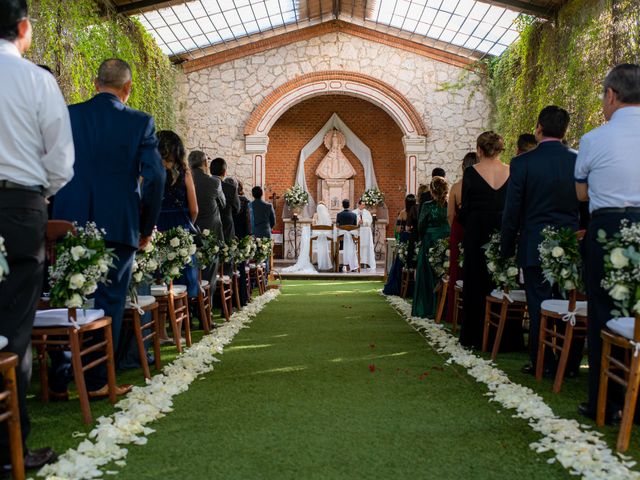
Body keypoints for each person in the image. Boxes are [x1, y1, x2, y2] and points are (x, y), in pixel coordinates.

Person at [52, 59, 165, 398]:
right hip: (118, 224)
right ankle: (99, 380)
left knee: (67, 295)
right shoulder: (140, 121)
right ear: (127, 88)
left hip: (67, 222)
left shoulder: (68, 115)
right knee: (109, 302)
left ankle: (58, 381)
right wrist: (146, 227)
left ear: (94, 82)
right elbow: (156, 176)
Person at [0, 0, 74, 470]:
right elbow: (61, 161)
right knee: (12, 330)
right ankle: (11, 450)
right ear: (23, 28)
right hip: (18, 207)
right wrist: (36, 195)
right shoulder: (36, 80)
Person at [574, 64, 640, 422]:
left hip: (609, 227)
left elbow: (581, 193)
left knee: (605, 312)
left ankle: (608, 402)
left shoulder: (594, 139)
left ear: (611, 95)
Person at [501, 106, 581, 377]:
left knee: (538, 304)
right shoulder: (578, 160)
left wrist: (507, 246)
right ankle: (568, 363)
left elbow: (512, 209)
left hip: (534, 242)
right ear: (565, 130)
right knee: (567, 301)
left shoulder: (522, 163)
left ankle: (542, 362)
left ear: (538, 128)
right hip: (570, 245)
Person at [458, 132, 513, 350]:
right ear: (500, 149)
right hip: (502, 231)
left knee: (476, 283)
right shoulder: (512, 171)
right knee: (502, 280)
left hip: (476, 232)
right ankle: (504, 337)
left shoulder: (471, 173)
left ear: (479, 150)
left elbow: (467, 207)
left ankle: (474, 336)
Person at [155, 131, 198, 340]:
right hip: (181, 227)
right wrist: (186, 226)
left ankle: (161, 332)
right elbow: (195, 209)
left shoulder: (151, 169)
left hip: (158, 226)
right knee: (180, 283)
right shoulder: (185, 172)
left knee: (160, 282)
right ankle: (179, 331)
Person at [445, 152, 477, 324]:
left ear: (463, 166)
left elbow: (450, 215)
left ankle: (454, 313)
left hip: (458, 230)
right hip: (478, 229)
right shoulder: (484, 184)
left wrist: (455, 230)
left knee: (457, 268)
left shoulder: (457, 187)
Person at [411, 177, 450, 318]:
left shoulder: (427, 205)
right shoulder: (449, 205)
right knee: (442, 273)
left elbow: (421, 225)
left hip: (429, 241)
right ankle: (443, 310)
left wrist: (424, 238)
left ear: (432, 191)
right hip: (446, 242)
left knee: (426, 275)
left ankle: (425, 309)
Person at [189, 150, 225, 286]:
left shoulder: (185, 180)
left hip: (190, 231)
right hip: (211, 232)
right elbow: (223, 203)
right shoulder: (214, 182)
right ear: (205, 163)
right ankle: (207, 303)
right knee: (209, 274)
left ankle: (192, 300)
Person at [383, 194, 416, 296]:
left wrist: (402, 230)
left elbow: (397, 229)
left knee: (400, 261)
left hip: (405, 239)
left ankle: (398, 287)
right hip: (415, 239)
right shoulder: (417, 212)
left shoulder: (402, 213)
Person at [210, 157, 240, 243]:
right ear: (224, 172)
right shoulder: (231, 188)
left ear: (210, 170)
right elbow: (237, 209)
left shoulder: (204, 186)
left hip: (209, 226)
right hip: (226, 227)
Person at [232, 180, 251, 305]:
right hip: (241, 235)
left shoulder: (226, 200)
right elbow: (248, 221)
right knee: (241, 267)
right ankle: (242, 297)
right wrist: (248, 236)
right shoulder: (244, 202)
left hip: (230, 235)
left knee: (229, 267)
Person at [336, 199, 358, 271]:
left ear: (342, 205)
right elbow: (355, 226)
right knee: (352, 249)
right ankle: (352, 266)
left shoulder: (339, 215)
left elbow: (337, 226)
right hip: (351, 237)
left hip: (342, 237)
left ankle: (340, 265)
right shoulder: (354, 215)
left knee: (341, 248)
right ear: (349, 205)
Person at [355, 199, 376, 270]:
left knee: (366, 247)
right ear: (359, 204)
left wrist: (363, 221)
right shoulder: (354, 212)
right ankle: (357, 262)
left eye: (364, 205)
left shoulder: (367, 213)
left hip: (366, 232)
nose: (364, 206)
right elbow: (353, 221)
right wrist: (358, 222)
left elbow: (370, 221)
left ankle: (366, 262)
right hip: (357, 232)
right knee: (358, 247)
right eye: (362, 204)